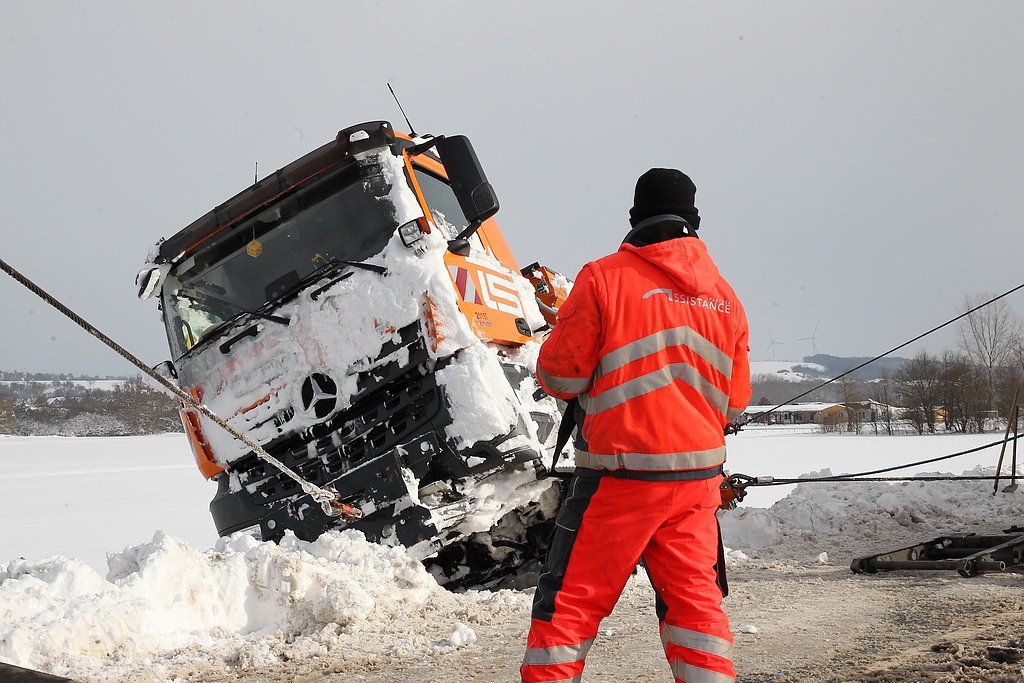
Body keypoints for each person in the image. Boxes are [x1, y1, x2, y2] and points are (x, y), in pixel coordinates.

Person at [521, 169, 751, 683]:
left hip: (618, 481)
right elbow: (735, 403)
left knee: (570, 607)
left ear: (635, 216)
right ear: (694, 220)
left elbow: (560, 377)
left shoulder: (603, 277)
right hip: (696, 486)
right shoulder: (726, 298)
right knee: (697, 609)